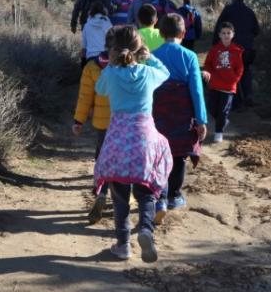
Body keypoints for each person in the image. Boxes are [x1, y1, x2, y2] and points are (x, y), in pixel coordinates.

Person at [94, 26, 172, 262]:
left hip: (118, 140)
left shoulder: (111, 74)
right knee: (146, 192)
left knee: (120, 196)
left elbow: (99, 89)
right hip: (144, 140)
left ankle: (123, 245)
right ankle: (146, 230)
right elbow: (166, 73)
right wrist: (150, 57)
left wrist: (111, 64)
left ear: (114, 49)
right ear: (139, 48)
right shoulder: (148, 73)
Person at [152, 14, 208, 222]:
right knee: (178, 155)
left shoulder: (153, 55)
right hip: (182, 114)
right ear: (184, 33)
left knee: (158, 155)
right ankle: (174, 196)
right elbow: (197, 90)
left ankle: (159, 196)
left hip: (158, 112)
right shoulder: (190, 56)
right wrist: (201, 120)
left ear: (160, 33)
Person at [73, 27, 117, 224]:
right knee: (122, 159)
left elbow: (85, 97)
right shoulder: (130, 65)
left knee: (102, 157)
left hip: (102, 123)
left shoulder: (92, 66)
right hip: (127, 123)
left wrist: (78, 120)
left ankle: (102, 191)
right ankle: (121, 197)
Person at [213, 0, 259, 107]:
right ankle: (248, 95)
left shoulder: (228, 10)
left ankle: (237, 102)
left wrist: (215, 45)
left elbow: (219, 28)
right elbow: (256, 30)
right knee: (246, 71)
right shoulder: (250, 12)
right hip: (248, 49)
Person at [203, 21, 244, 143]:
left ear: (233, 34)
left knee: (223, 111)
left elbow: (240, 69)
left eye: (228, 33)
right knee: (212, 108)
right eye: (224, 33)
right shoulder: (214, 49)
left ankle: (219, 132)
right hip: (214, 85)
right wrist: (208, 73)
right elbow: (208, 64)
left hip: (228, 87)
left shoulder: (237, 51)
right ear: (219, 35)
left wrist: (234, 80)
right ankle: (223, 121)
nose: (226, 35)